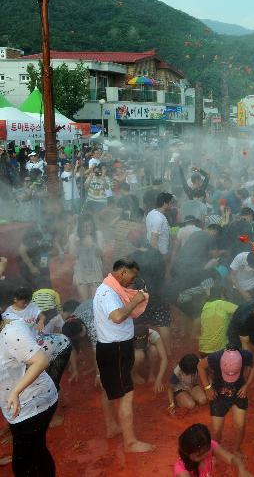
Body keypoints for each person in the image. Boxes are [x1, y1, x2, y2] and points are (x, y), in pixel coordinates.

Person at [93, 259, 153, 453]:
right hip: (117, 349)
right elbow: (118, 317)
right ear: (122, 273)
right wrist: (135, 301)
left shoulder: (108, 288)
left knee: (107, 387)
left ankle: (111, 427)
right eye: (132, 276)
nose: (133, 281)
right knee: (127, 394)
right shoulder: (108, 293)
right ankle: (130, 442)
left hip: (108, 346)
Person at [0, 316, 59, 476]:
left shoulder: (10, 333)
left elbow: (41, 361)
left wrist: (15, 391)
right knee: (36, 451)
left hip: (31, 404)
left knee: (24, 464)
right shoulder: (10, 319)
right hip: (16, 406)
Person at [198, 346, 254, 455]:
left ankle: (236, 449)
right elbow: (200, 366)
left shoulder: (245, 355)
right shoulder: (215, 357)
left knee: (240, 425)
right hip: (218, 395)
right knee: (217, 430)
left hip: (238, 393)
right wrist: (207, 388)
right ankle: (215, 450)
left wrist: (247, 385)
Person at [174, 422, 252, 477]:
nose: (204, 456)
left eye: (206, 451)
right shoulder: (182, 471)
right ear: (187, 453)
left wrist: (241, 469)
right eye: (198, 455)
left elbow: (232, 459)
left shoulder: (209, 446)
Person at [198, 284, 239, 357]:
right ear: (221, 294)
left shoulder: (205, 307)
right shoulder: (221, 303)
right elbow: (241, 310)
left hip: (203, 349)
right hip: (218, 350)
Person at [146, 192, 175, 257]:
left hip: (161, 252)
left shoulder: (152, 213)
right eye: (171, 203)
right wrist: (158, 258)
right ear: (165, 204)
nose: (173, 205)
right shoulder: (158, 218)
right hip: (161, 254)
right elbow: (153, 241)